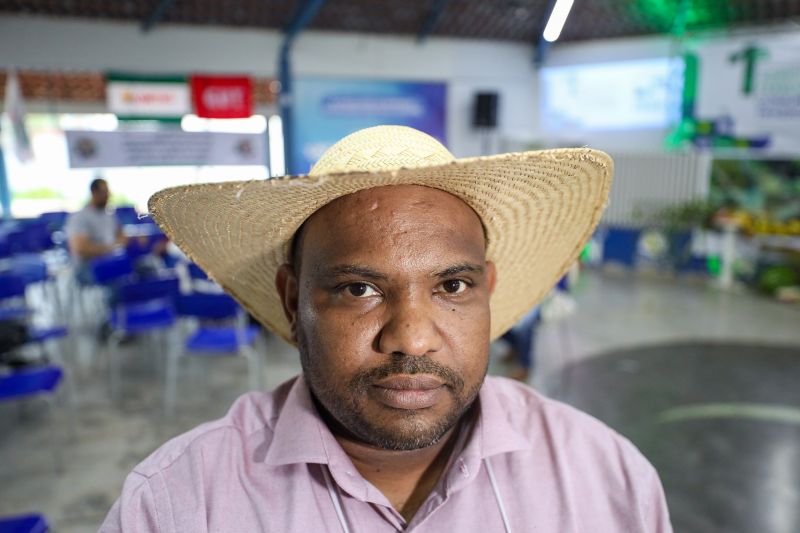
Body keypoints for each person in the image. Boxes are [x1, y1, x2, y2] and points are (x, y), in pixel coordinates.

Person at [101, 126, 671, 532]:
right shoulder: (178, 506)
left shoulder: (605, 477)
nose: (412, 338)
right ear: (291, 300)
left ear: (488, 292)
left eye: (452, 287)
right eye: (358, 289)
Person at [65, 178, 127, 281]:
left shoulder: (110, 216)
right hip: (88, 268)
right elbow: (81, 249)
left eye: (108, 192)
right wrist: (111, 248)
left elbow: (122, 237)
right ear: (94, 192)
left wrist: (114, 246)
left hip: (111, 262)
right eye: (104, 192)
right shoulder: (79, 217)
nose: (108, 195)